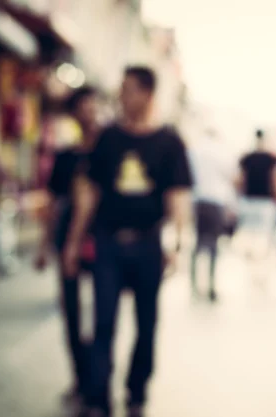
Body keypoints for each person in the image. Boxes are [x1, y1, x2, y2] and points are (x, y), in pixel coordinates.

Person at [63, 66, 193, 417]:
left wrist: (177, 242)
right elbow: (89, 192)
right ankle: (98, 397)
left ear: (147, 94)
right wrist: (74, 242)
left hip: (149, 243)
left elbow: (177, 195)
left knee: (147, 322)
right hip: (108, 242)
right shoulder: (108, 138)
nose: (122, 96)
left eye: (129, 90)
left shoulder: (168, 141)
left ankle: (137, 391)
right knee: (104, 321)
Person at [34, 86, 100, 403]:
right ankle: (81, 379)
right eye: (83, 107)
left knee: (103, 315)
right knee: (72, 313)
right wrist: (44, 246)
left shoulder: (110, 149)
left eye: (94, 106)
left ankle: (98, 381)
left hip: (102, 243)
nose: (90, 112)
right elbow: (53, 202)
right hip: (68, 240)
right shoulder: (66, 155)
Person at [188, 128, 238, 301]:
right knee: (213, 244)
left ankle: (194, 286)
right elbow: (231, 179)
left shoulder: (194, 151)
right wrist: (231, 205)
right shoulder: (221, 152)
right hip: (215, 201)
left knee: (198, 243)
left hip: (197, 200)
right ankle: (210, 285)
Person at [237, 129, 276, 269]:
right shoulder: (271, 159)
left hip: (249, 201)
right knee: (264, 236)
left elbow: (240, 180)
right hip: (265, 202)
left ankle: (253, 265)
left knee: (250, 236)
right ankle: (260, 266)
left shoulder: (247, 158)